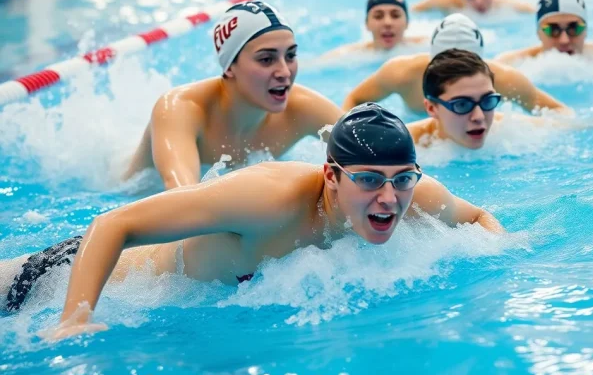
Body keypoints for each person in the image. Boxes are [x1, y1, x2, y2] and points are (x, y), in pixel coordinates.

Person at [0, 104, 504, 340]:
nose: (390, 199)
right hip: (71, 275)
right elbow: (113, 224)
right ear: (331, 175)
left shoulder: (413, 194)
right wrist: (75, 318)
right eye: (370, 180)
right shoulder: (268, 198)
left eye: (403, 180)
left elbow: (479, 217)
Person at [124, 1, 343, 190]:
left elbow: (372, 145)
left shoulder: (302, 107)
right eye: (266, 59)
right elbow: (182, 197)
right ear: (229, 67)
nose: (285, 72)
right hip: (133, 192)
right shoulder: (181, 109)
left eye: (291, 55)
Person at [342, 13, 571, 115]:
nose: (456, 75)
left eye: (467, 66)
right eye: (446, 67)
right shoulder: (402, 73)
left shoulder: (503, 79)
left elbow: (559, 113)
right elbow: (355, 99)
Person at [494, 0, 593, 65]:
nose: (564, 40)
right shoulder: (511, 64)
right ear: (538, 33)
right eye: (552, 30)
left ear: (586, 30)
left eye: (574, 28)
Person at [317, 0, 427, 59]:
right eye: (378, 16)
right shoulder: (348, 56)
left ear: (407, 22)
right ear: (367, 24)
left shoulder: (425, 47)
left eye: (395, 15)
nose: (387, 22)